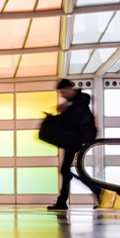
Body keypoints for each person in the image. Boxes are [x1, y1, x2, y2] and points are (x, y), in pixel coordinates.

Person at [50, 79, 101, 210]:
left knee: (65, 170)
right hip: (74, 138)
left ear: (69, 88)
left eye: (63, 92)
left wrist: (64, 111)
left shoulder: (80, 101)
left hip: (79, 138)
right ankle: (63, 200)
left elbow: (76, 119)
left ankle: (96, 190)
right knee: (65, 170)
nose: (62, 95)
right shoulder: (74, 102)